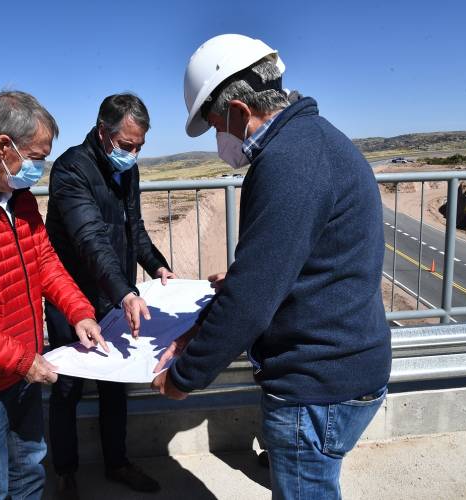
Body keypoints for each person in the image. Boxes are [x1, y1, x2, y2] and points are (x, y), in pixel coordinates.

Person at [152, 34, 392, 499]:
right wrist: (249, 277)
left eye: (216, 125)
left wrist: (184, 377)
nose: (219, 141)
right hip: (344, 366)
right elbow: (294, 264)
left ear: (240, 112)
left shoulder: (288, 163)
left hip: (316, 385)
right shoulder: (315, 140)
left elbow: (253, 300)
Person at [0, 91, 105, 500]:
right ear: (2, 147)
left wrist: (79, 311)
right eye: (36, 156)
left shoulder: (21, 199)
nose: (39, 167)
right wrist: (19, 359)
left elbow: (45, 261)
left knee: (30, 467)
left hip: (29, 364)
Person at [45, 93, 174, 496]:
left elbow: (133, 227)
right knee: (67, 386)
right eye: (127, 146)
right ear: (103, 133)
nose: (133, 155)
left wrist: (156, 265)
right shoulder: (71, 170)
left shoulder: (126, 170)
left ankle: (117, 462)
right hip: (73, 296)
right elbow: (90, 239)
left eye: (139, 148)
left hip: (114, 295)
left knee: (115, 383)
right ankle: (66, 472)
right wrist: (124, 292)